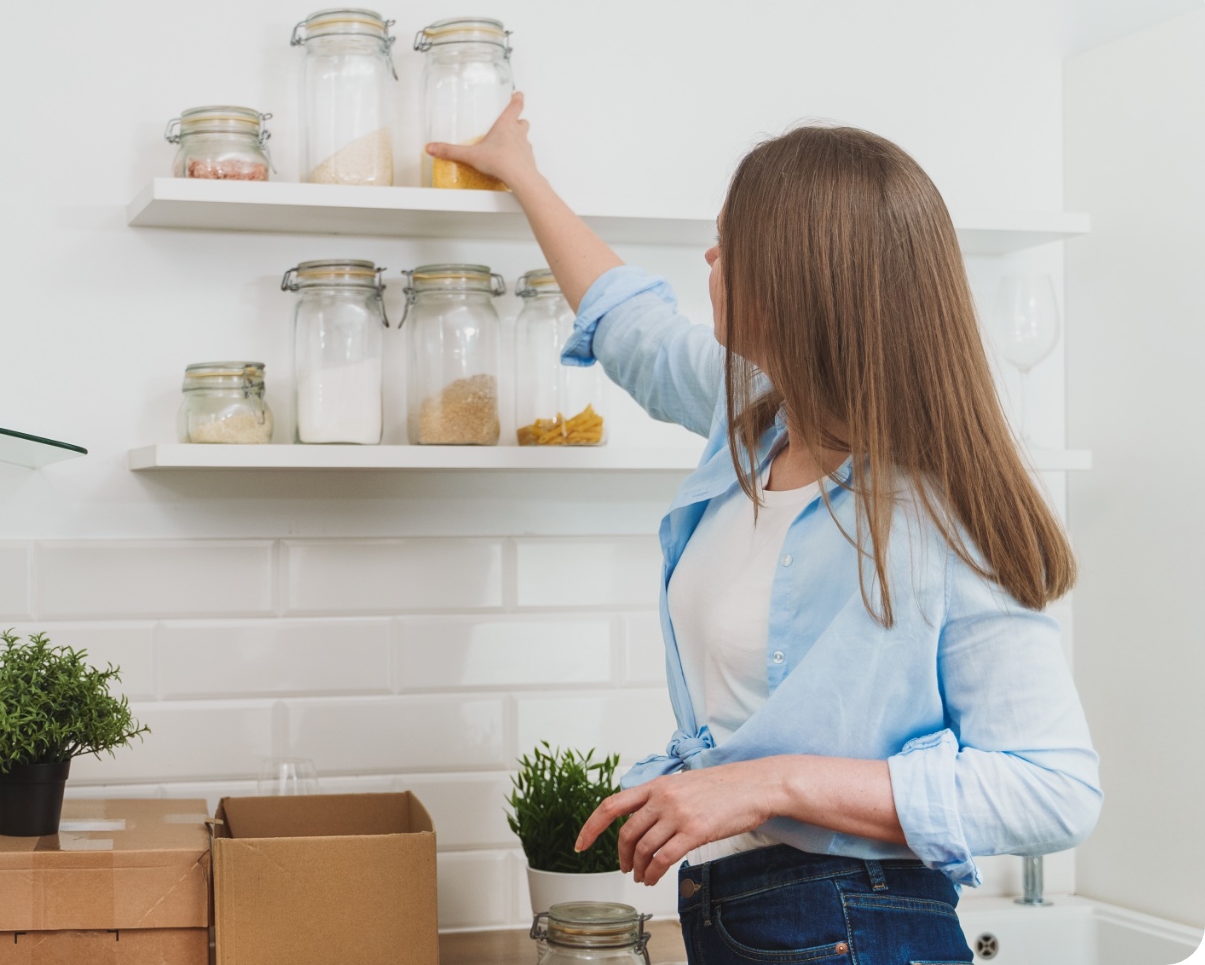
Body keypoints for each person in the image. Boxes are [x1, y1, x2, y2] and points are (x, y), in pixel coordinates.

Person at [427, 93, 1102, 965]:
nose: (710, 259)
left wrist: (765, 785)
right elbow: (631, 323)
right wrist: (520, 172)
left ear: (797, 284)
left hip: (862, 925)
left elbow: (1054, 790)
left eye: (730, 245)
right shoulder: (754, 416)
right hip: (743, 913)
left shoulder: (938, 514)